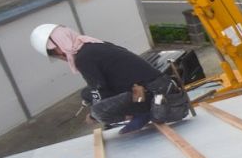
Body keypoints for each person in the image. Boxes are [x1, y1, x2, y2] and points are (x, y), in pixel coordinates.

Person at [29, 24, 189, 134]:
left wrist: (94, 116)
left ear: (59, 45)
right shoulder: (90, 45)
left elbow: (99, 89)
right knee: (86, 94)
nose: (58, 57)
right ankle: (140, 111)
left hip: (151, 92)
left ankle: (143, 113)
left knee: (98, 111)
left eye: (53, 53)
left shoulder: (83, 57)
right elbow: (96, 88)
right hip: (146, 87)